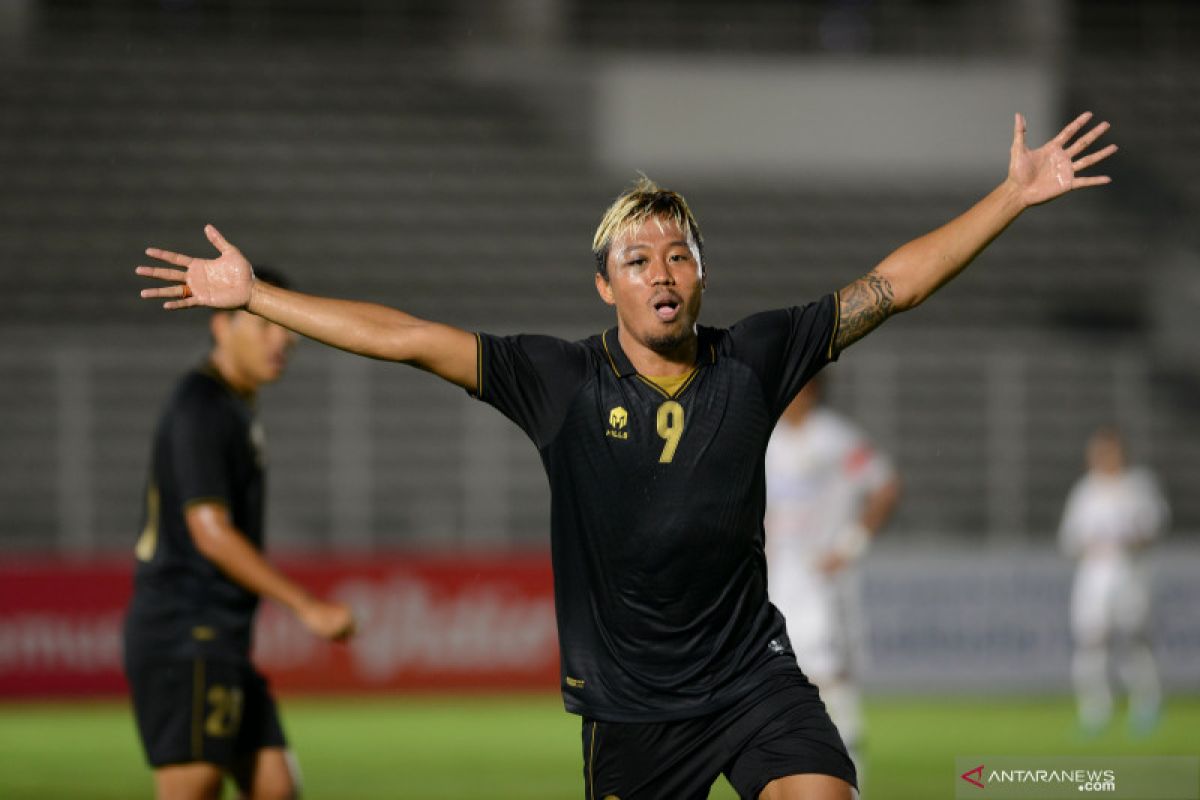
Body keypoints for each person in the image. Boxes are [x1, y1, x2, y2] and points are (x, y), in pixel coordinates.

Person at [137, 112, 1115, 800]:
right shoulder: (557, 380)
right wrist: (255, 295)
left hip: (752, 676)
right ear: (605, 283)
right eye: (639, 258)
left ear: (701, 270)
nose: (663, 271)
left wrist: (1010, 196)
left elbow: (890, 287)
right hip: (633, 708)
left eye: (679, 253)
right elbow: (402, 335)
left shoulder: (756, 355)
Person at [124, 268, 357, 800]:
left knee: (275, 786)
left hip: (217, 636)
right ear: (221, 326)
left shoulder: (231, 406)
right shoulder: (201, 406)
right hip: (185, 635)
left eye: (286, 327)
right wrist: (305, 606)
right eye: (266, 325)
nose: (286, 339)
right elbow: (209, 532)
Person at [765, 376, 899, 780]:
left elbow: (886, 486)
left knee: (827, 671)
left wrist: (850, 544)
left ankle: (851, 767)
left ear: (813, 392)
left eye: (799, 389)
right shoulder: (768, 440)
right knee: (781, 677)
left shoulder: (835, 438)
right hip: (777, 577)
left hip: (820, 578)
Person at [1059, 425, 1168, 736]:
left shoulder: (1139, 484)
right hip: (1094, 574)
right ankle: (1095, 709)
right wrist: (1092, 544)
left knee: (1135, 639)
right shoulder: (1085, 490)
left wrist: (1127, 540)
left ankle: (1146, 705)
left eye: (1108, 451)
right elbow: (1070, 538)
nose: (1102, 457)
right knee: (1091, 640)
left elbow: (1153, 527)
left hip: (1129, 571)